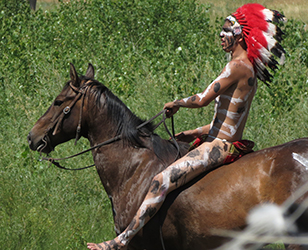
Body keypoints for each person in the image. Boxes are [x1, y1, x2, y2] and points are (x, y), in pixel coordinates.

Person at [87, 3, 286, 250]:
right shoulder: (248, 69)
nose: (221, 36)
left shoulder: (236, 66)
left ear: (239, 36)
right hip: (224, 141)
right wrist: (193, 133)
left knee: (161, 180)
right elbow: (226, 121)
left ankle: (120, 241)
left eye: (226, 32)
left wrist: (177, 103)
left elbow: (202, 99)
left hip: (218, 148)